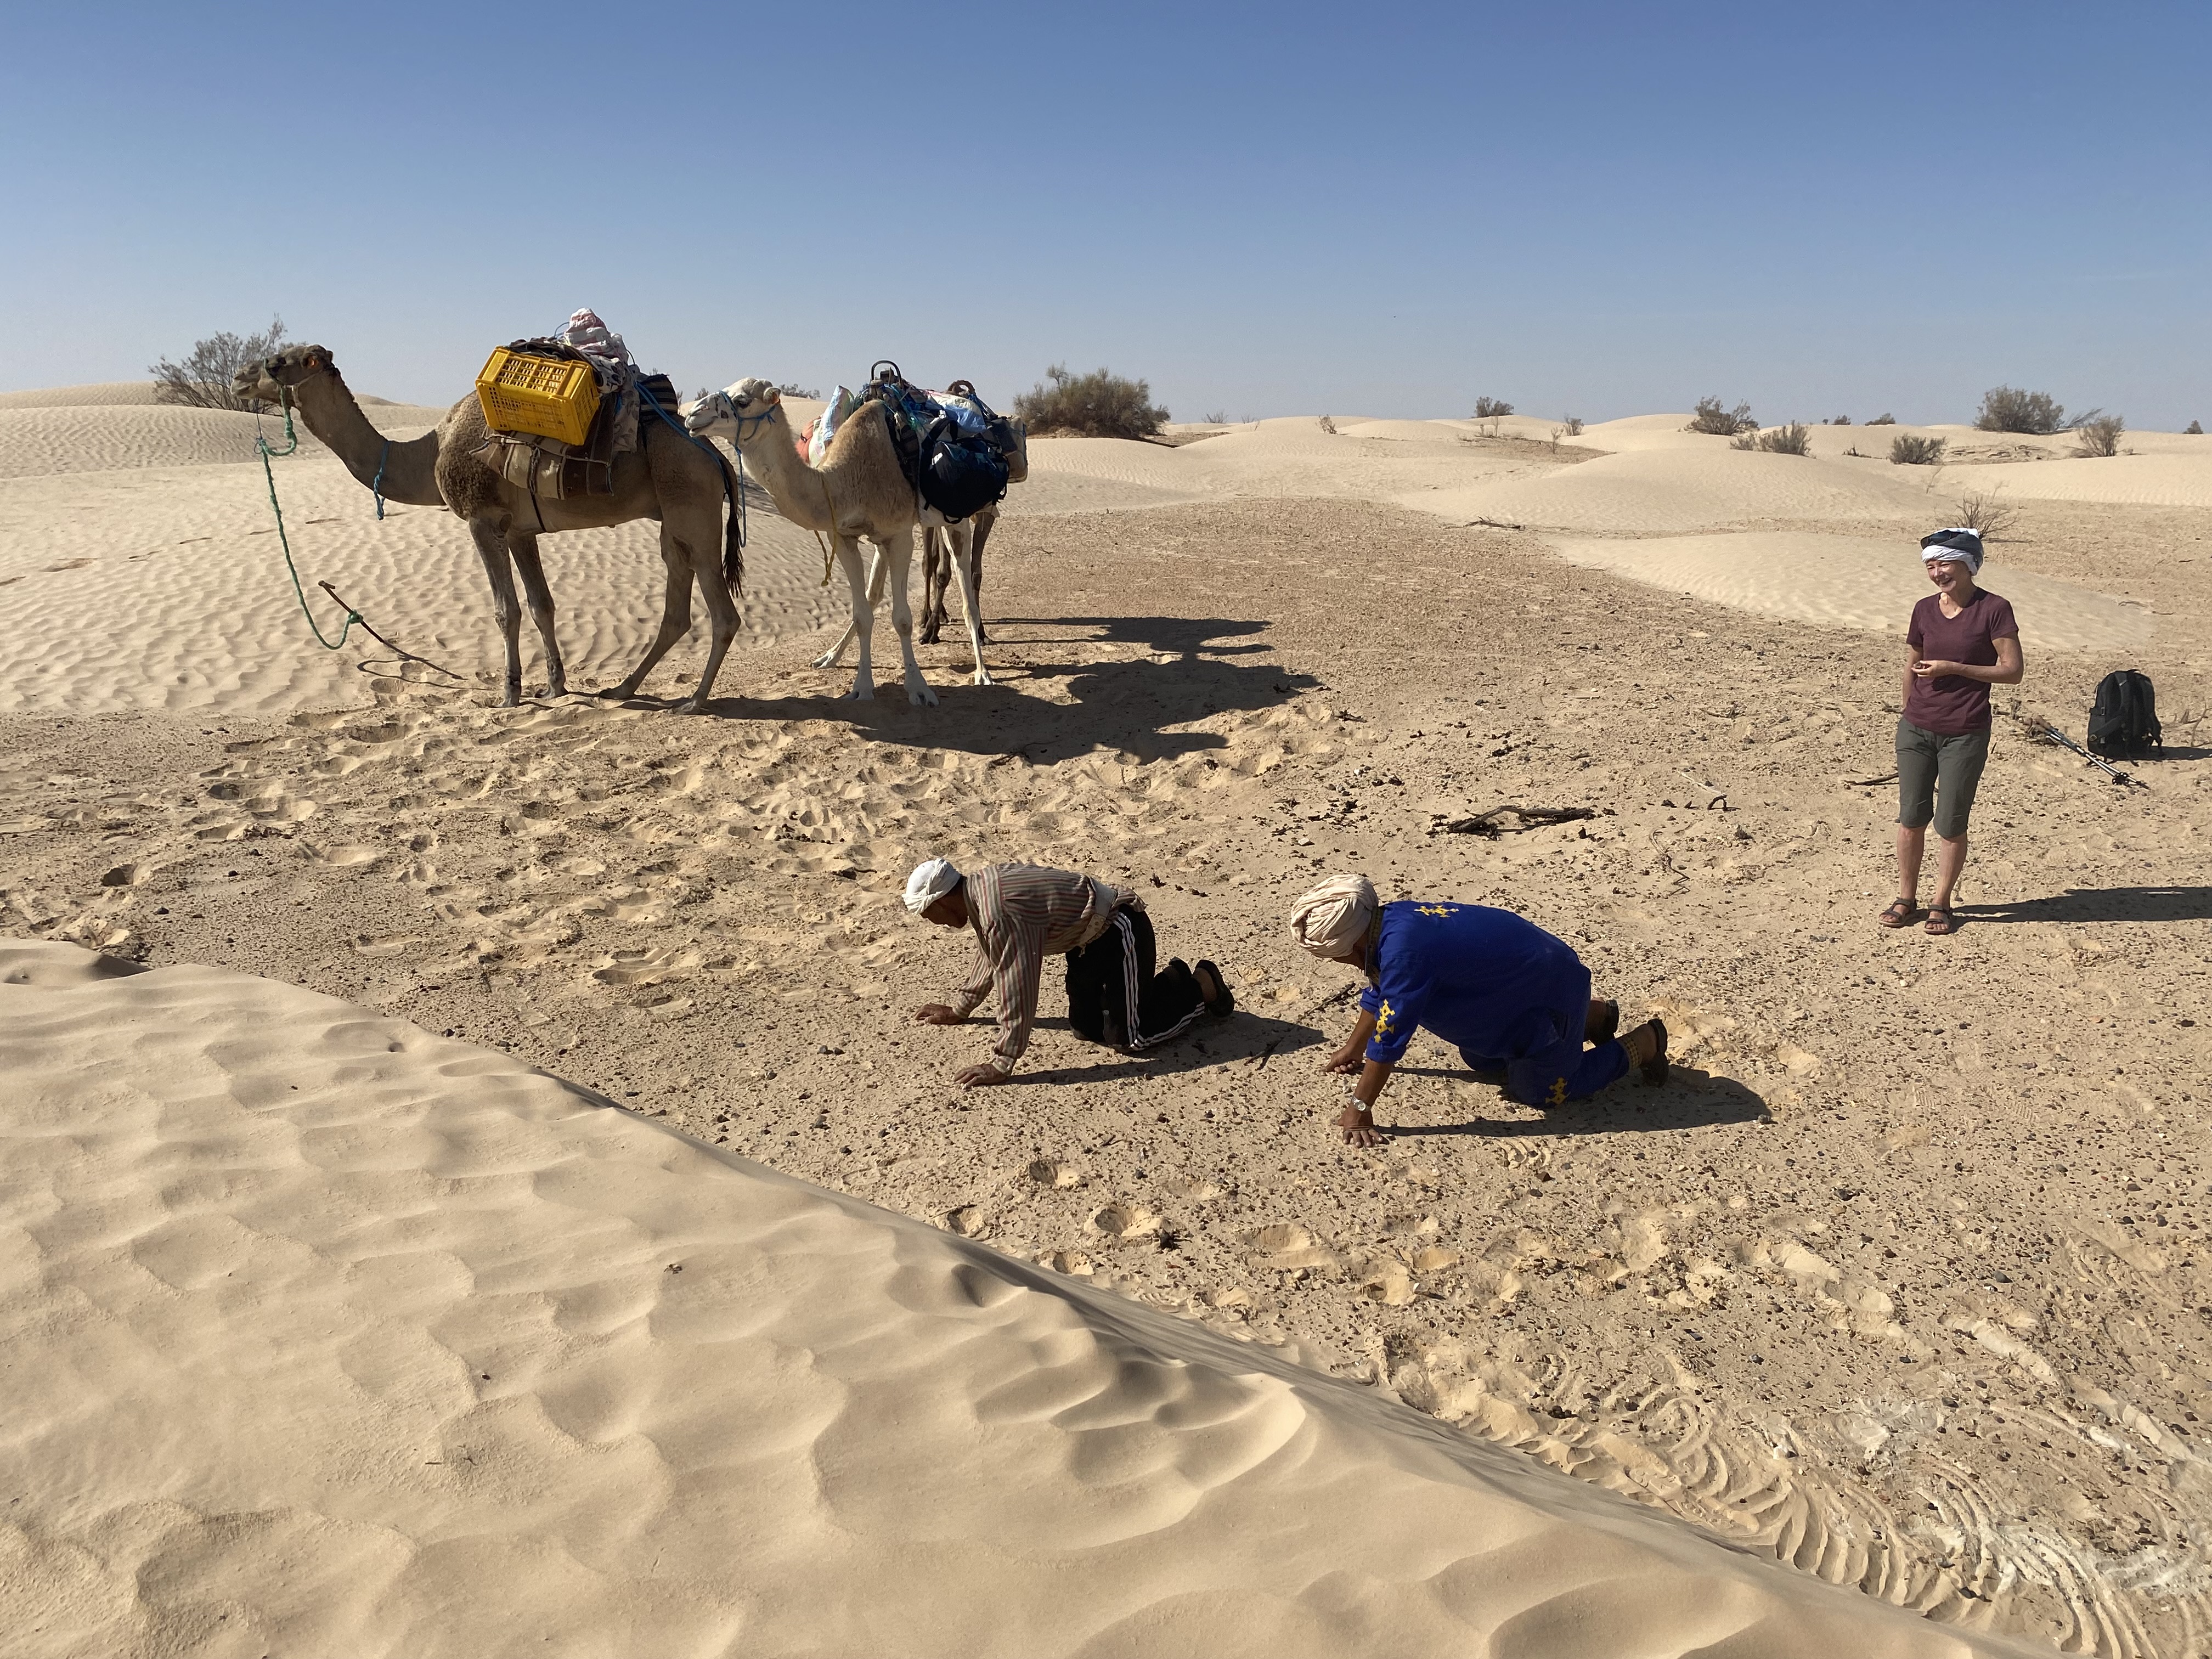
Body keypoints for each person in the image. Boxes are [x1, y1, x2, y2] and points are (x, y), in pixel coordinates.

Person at [1290, 874, 1666, 1148]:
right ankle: (1591, 1017)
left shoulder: (1403, 954)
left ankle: (1644, 1043)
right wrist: (1353, 1049)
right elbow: (1381, 990)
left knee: (1542, 1092)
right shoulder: (1386, 923)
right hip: (1528, 982)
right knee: (1482, 1059)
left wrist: (1360, 1106)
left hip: (1550, 989)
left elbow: (1391, 1035)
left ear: (1349, 944)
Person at [906, 857, 1234, 1086]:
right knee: (1086, 1029)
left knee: (1132, 1038)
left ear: (941, 901)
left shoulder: (998, 910)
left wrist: (1002, 1062)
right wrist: (960, 1009)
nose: (928, 921)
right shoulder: (979, 892)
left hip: (1120, 929)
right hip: (1085, 943)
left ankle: (1199, 986)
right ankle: (1148, 990)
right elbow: (992, 951)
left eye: (926, 913)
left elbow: (1017, 983)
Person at [1881, 527, 2023, 937]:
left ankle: (1941, 902)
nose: (1937, 572)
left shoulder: (1994, 609)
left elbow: (2012, 672)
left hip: (1965, 731)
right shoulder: (1924, 609)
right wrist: (1909, 712)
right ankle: (1906, 897)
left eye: (1944, 563)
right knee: (1911, 818)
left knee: (1950, 823)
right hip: (1917, 729)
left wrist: (1955, 669)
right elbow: (1912, 661)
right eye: (1930, 565)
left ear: (1968, 564)